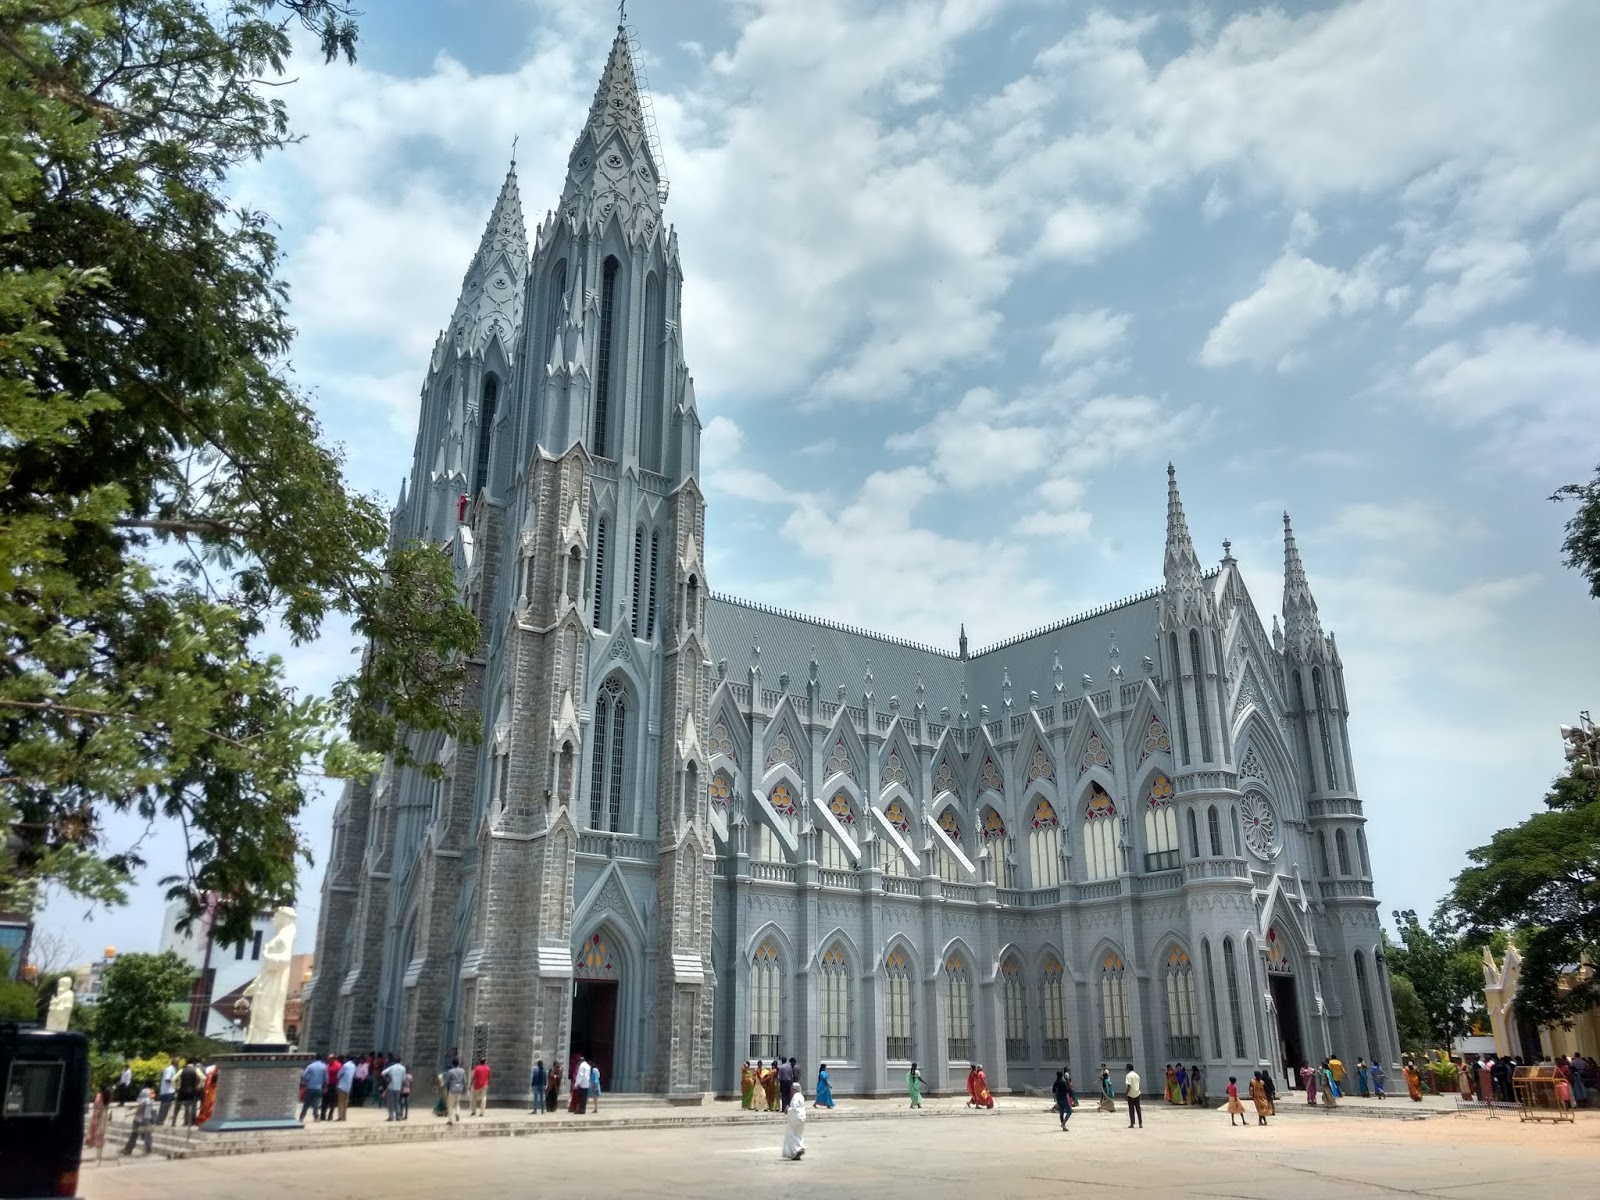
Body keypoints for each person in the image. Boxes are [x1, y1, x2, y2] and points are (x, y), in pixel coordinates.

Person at [121, 1088, 156, 1157]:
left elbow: (138, 1111)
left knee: (134, 1135)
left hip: (139, 1120)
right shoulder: (150, 1101)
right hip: (147, 1120)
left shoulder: (143, 1101)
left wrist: (129, 1114)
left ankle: (128, 1150)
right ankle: (148, 1150)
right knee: (147, 1136)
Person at [85, 1085, 112, 1164]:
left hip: (99, 1120)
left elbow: (97, 1109)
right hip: (105, 1121)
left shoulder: (99, 1097)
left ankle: (98, 1157)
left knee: (98, 1137)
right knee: (102, 1137)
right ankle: (99, 1156)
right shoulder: (108, 1100)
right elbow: (110, 1112)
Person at [781, 1085, 807, 1161]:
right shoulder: (801, 1096)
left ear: (794, 1089)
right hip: (801, 1118)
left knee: (792, 1135)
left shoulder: (796, 1096)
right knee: (798, 1134)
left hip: (795, 1119)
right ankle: (797, 1150)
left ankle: (797, 1149)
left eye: (791, 1089)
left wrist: (788, 1109)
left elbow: (794, 1108)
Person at [300, 1054, 328, 1122]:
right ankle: (315, 1117)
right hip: (318, 1087)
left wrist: (306, 1081)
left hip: (310, 1087)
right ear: (321, 1059)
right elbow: (326, 1078)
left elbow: (304, 1075)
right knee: (316, 1103)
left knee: (306, 1103)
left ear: (315, 1058)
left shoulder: (310, 1066)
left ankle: (301, 1117)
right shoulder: (324, 1067)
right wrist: (325, 1087)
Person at [175, 1057, 202, 1126]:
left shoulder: (182, 1070)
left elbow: (173, 1079)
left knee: (177, 1106)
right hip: (191, 1091)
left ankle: (173, 1122)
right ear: (193, 1063)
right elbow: (203, 1078)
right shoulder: (196, 1070)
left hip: (181, 1090)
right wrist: (198, 1087)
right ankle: (186, 1122)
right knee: (188, 1107)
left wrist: (176, 1087)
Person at [444, 1058, 467, 1123]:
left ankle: (450, 1119)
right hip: (459, 1090)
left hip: (452, 1090)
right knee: (457, 1103)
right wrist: (464, 1089)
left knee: (450, 1105)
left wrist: (445, 1087)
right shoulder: (462, 1071)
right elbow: (464, 1081)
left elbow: (447, 1081)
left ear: (452, 1064)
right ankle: (457, 1113)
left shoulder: (450, 1071)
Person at [156, 1057, 178, 1126]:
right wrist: (175, 1083)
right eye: (177, 1062)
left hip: (169, 1091)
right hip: (167, 1091)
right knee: (164, 1107)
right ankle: (160, 1121)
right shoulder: (170, 1069)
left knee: (166, 1107)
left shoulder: (173, 1069)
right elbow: (167, 1079)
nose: (178, 1063)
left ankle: (161, 1120)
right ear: (174, 1062)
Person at [335, 1054, 356, 1120]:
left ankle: (340, 1116)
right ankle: (344, 1117)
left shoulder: (345, 1065)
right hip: (348, 1086)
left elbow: (338, 1075)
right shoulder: (354, 1066)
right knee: (345, 1102)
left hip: (342, 1086)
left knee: (340, 1102)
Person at [321, 1053, 341, 1121]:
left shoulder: (338, 1065)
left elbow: (339, 1076)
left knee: (332, 1101)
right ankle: (322, 1115)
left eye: (329, 1059)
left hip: (333, 1085)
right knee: (324, 1100)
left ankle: (330, 1116)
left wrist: (338, 1086)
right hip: (327, 1085)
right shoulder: (327, 1065)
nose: (328, 1060)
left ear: (333, 1059)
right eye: (328, 1059)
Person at [1124, 1064, 1143, 1129]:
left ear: (1128, 1069)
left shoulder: (1128, 1076)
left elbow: (1129, 1086)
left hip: (1131, 1094)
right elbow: (1139, 1083)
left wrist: (1126, 1094)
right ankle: (1140, 1123)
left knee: (1131, 1109)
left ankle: (1132, 1123)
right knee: (1138, 1109)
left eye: (1126, 1068)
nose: (1125, 1070)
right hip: (1137, 1093)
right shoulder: (1137, 1075)